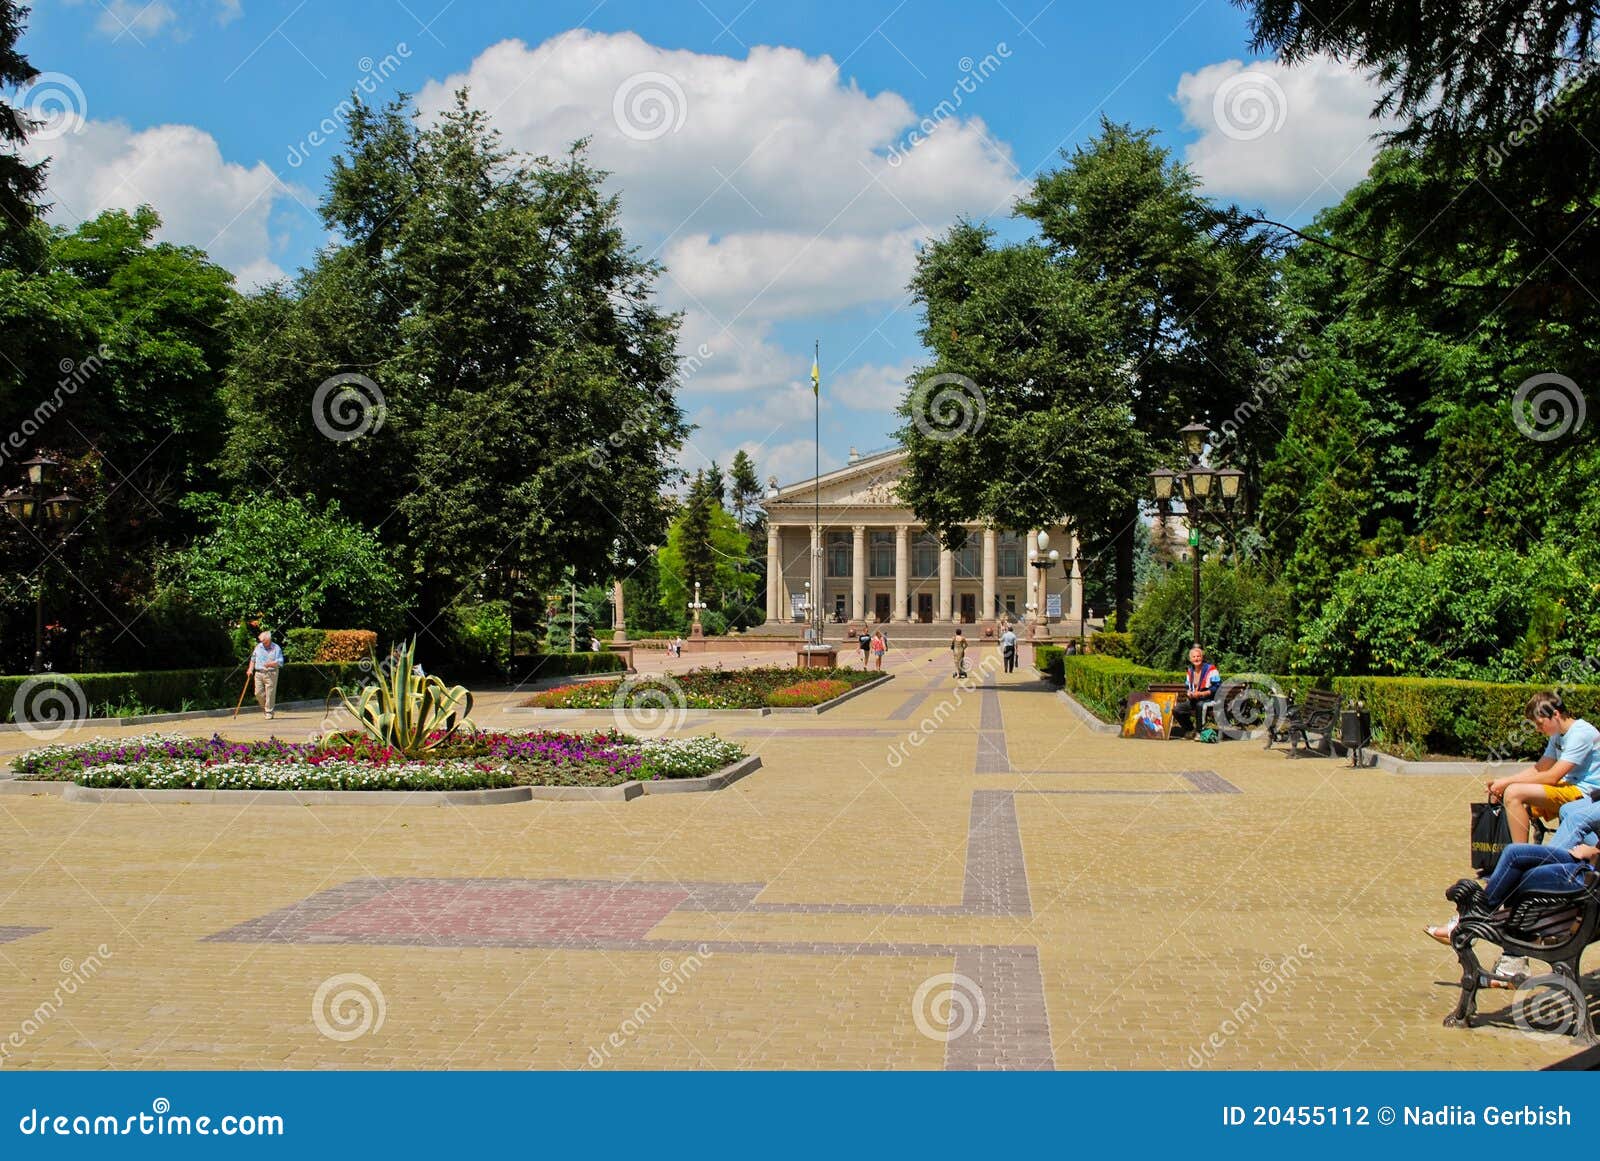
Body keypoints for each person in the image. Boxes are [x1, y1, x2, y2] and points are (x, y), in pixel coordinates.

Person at [1425, 840, 1600, 981]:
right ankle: (1478, 923)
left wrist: (1593, 852)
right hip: (1590, 867)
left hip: (1587, 878)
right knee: (1514, 854)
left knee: (1519, 875)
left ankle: (1472, 922)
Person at [1488, 691, 1600, 844]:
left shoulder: (1580, 734)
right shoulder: (1558, 734)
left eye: (1540, 723)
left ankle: (1519, 854)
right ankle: (1524, 845)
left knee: (1513, 793)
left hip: (1588, 794)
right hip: (1571, 787)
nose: (1537, 729)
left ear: (1555, 714)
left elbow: (1552, 777)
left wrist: (1507, 783)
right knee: (1512, 793)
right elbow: (1539, 768)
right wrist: (1503, 782)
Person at [1171, 644, 1221, 739]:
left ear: (1202, 657)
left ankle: (1200, 732)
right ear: (1190, 659)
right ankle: (1190, 729)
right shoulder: (1190, 670)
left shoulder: (1211, 669)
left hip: (1210, 699)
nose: (1196, 658)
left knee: (1200, 705)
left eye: (1198, 656)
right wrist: (1189, 693)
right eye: (1194, 657)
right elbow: (1187, 686)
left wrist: (1203, 693)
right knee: (1177, 709)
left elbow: (1217, 687)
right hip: (1194, 699)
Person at [247, 630, 284, 720]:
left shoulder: (276, 648)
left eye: (265, 642)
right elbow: (253, 659)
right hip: (258, 673)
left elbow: (280, 662)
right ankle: (266, 708)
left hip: (271, 673)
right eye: (261, 641)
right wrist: (250, 669)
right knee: (258, 693)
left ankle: (269, 712)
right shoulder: (258, 647)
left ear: (269, 640)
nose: (263, 643)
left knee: (270, 693)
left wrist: (271, 664)